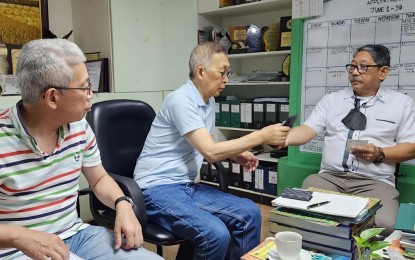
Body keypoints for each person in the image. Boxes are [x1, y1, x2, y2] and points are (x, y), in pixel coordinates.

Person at [0, 39, 162, 260]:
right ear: (53, 97)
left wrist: (122, 204)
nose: (90, 94)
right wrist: (20, 236)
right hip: (16, 249)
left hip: (75, 235)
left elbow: (98, 179)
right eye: (85, 86)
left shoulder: (78, 125)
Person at [134, 42, 290, 259]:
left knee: (250, 213)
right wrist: (261, 136)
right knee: (215, 233)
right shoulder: (181, 100)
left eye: (228, 73)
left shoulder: (208, 101)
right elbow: (210, 152)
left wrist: (235, 153)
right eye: (222, 73)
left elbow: (204, 142)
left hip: (186, 185)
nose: (226, 79)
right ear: (201, 72)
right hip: (156, 188)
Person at [286, 44, 415, 235]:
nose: (354, 72)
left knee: (384, 224)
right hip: (330, 178)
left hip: (374, 182)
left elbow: (411, 147)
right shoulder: (332, 101)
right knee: (297, 211)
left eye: (363, 67)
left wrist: (379, 153)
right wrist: (283, 137)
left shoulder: (401, 104)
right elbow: (307, 130)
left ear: (383, 72)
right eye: (352, 66)